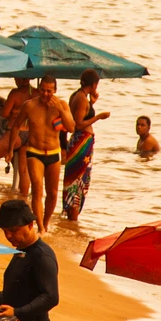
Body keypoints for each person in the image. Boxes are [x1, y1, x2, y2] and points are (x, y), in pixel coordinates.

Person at [7, 75, 73, 228]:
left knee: (53, 193)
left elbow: (71, 127)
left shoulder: (62, 104)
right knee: (37, 189)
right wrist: (10, 149)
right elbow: (16, 126)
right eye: (42, 90)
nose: (45, 94)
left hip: (53, 152)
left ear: (55, 90)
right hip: (34, 151)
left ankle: (46, 222)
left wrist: (60, 111)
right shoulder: (29, 106)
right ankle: (40, 228)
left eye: (49, 91)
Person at [62, 70, 108, 222]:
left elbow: (80, 115)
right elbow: (79, 124)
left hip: (80, 142)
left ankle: (71, 220)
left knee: (75, 181)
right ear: (94, 84)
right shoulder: (81, 99)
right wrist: (98, 117)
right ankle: (72, 222)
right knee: (77, 183)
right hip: (81, 142)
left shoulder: (79, 96)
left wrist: (92, 104)